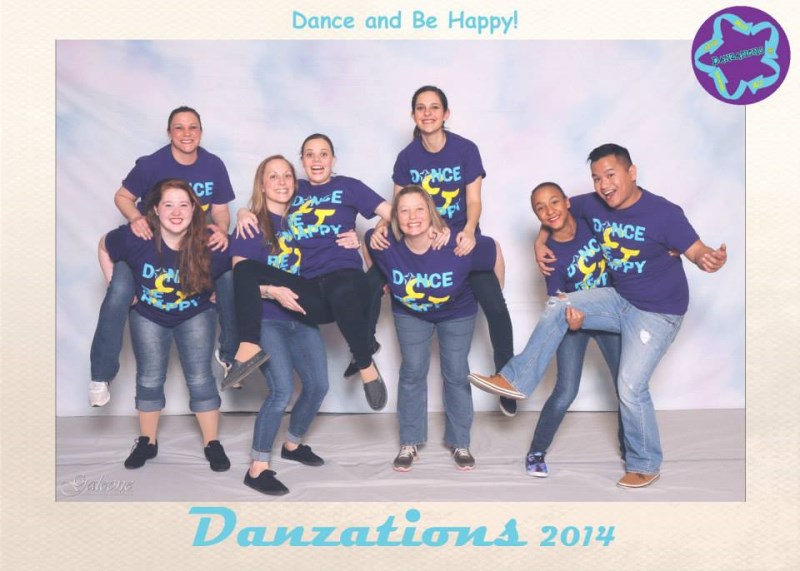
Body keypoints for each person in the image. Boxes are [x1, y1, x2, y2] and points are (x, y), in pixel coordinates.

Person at [468, 144, 727, 488]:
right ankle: (515, 379)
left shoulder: (664, 213)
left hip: (657, 313)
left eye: (610, 175)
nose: (604, 185)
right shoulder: (592, 203)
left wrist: (707, 257)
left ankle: (645, 464)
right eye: (596, 178)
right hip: (620, 299)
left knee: (630, 386)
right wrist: (540, 241)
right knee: (558, 306)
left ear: (631, 172)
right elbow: (554, 213)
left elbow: (695, 249)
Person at [370, 85, 516, 416]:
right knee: (369, 280)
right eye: (421, 108)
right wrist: (381, 225)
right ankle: (363, 355)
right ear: (413, 115)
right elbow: (398, 204)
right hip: (419, 242)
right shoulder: (407, 157)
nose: (428, 113)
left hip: (459, 243)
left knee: (495, 304)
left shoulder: (466, 149)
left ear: (446, 114)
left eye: (434, 107)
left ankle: (506, 379)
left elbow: (474, 200)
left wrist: (467, 231)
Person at [88, 106, 237, 407]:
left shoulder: (213, 165)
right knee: (118, 292)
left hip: (192, 249)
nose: (186, 133)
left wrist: (221, 229)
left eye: (193, 127)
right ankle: (101, 375)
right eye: (179, 127)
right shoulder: (152, 164)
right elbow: (122, 196)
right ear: (169, 133)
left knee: (231, 278)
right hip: (148, 248)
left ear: (201, 132)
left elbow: (221, 210)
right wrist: (135, 218)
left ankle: (231, 356)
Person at [230, 134, 391, 411]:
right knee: (244, 269)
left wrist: (377, 231)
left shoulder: (349, 187)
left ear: (333, 159)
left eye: (323, 154)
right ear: (302, 161)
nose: (317, 160)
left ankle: (365, 365)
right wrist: (243, 212)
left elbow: (394, 212)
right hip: (311, 290)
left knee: (340, 288)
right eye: (309, 154)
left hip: (347, 280)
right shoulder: (295, 189)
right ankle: (248, 346)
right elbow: (268, 194)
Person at [365, 185, 505, 471]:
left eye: (419, 209)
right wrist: (384, 280)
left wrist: (496, 295)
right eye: (404, 210)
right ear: (395, 216)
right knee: (412, 372)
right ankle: (409, 442)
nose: (412, 216)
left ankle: (460, 442)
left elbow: (494, 250)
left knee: (456, 372)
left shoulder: (456, 243)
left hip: (456, 313)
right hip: (410, 313)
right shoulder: (384, 241)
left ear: (430, 212)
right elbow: (367, 246)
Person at [97, 179, 231, 471]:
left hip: (195, 314)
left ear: (195, 209)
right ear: (155, 210)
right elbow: (104, 245)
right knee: (149, 377)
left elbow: (240, 266)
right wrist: (115, 285)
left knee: (200, 378)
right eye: (168, 205)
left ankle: (212, 442)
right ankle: (147, 441)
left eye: (184, 204)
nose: (176, 211)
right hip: (148, 314)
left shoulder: (212, 242)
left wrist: (220, 288)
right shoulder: (136, 237)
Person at [231, 155, 336, 496]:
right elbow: (240, 278)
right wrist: (273, 291)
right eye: (272, 176)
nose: (281, 182)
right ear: (262, 185)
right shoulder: (251, 224)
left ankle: (292, 444)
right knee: (280, 391)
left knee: (318, 385)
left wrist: (353, 240)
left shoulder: (303, 221)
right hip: (267, 319)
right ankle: (257, 467)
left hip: (301, 317)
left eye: (287, 175)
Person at [523, 182, 623, 478]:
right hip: (573, 320)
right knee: (566, 390)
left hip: (608, 314)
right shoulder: (549, 254)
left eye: (554, 202)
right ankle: (536, 451)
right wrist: (573, 319)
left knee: (626, 385)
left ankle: (631, 447)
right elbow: (558, 300)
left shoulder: (590, 221)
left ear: (567, 202)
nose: (549, 211)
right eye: (540, 208)